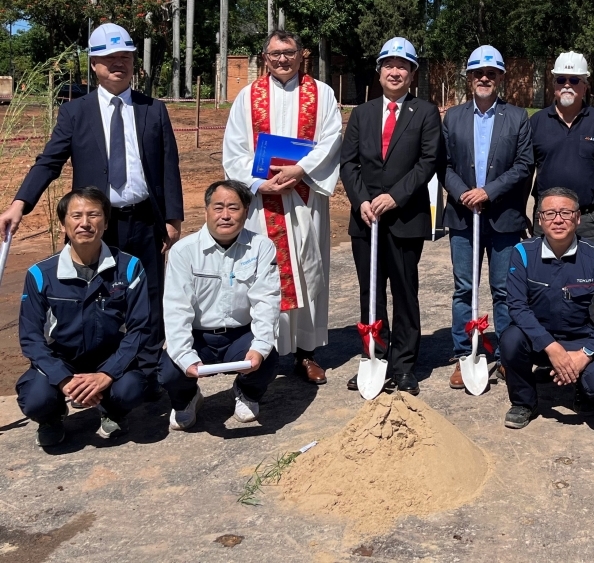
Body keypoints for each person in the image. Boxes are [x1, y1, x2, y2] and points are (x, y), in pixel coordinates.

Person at [1, 23, 182, 393]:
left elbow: (168, 167)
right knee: (100, 298)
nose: (119, 64)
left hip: (146, 220)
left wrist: (173, 220)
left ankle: (142, 379)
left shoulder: (153, 110)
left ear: (134, 63)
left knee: (148, 297)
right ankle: (99, 374)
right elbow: (49, 161)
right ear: (95, 64)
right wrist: (20, 204)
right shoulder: (76, 113)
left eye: (126, 58)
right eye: (110, 59)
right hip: (97, 226)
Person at [222, 29, 342, 385]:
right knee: (266, 274)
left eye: (288, 53)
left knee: (309, 270)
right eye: (275, 54)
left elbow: (332, 140)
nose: (282, 60)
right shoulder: (247, 97)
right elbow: (235, 151)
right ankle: (267, 349)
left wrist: (300, 169)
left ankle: (306, 352)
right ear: (265, 57)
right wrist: (260, 183)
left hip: (306, 198)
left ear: (301, 54)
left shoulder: (322, 94)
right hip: (264, 202)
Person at [340, 37, 442, 396]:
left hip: (405, 219)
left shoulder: (425, 113)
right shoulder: (362, 113)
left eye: (403, 66)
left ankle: (403, 366)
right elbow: (348, 162)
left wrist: (394, 198)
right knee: (370, 294)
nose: (395, 71)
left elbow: (427, 163)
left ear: (412, 74)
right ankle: (373, 356)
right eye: (389, 65)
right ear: (379, 71)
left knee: (404, 292)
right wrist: (362, 201)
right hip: (366, 219)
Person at [17, 187, 151, 446]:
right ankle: (52, 418)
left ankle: (111, 411)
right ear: (64, 225)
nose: (85, 223)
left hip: (109, 357)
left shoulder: (130, 267)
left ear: (106, 222)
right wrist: (63, 379)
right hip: (63, 359)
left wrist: (107, 375)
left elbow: (140, 329)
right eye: (76, 216)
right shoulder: (40, 274)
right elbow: (31, 338)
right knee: (35, 400)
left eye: (93, 215)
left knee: (132, 389)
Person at [443, 45, 532, 390]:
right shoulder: (453, 117)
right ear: (469, 78)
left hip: (503, 218)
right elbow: (445, 164)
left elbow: (524, 165)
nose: (484, 78)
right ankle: (464, 352)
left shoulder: (517, 117)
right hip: (464, 217)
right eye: (478, 73)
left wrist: (488, 191)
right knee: (464, 288)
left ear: (500, 78)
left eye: (491, 73)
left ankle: (506, 356)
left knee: (504, 290)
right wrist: (464, 193)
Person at [159, 180, 281, 430]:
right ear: (206, 210)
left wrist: (259, 347)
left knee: (268, 356)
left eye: (234, 208)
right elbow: (176, 308)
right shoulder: (184, 251)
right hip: (199, 337)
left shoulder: (262, 247)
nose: (225, 215)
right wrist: (184, 356)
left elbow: (266, 301)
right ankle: (186, 399)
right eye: (218, 207)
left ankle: (247, 392)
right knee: (169, 369)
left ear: (246, 212)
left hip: (239, 336)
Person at [500, 187, 594, 429]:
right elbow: (516, 306)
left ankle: (582, 389)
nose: (558, 219)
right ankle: (525, 402)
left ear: (577, 218)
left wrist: (585, 354)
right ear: (539, 219)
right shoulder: (523, 253)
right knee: (510, 339)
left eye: (566, 213)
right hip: (538, 339)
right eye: (550, 213)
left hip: (580, 338)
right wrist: (551, 347)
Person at [529, 52, 594, 245]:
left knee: (588, 275)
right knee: (544, 274)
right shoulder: (536, 122)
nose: (567, 85)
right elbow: (524, 171)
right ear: (554, 84)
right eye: (561, 79)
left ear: (585, 86)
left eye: (574, 80)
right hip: (547, 217)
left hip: (587, 219)